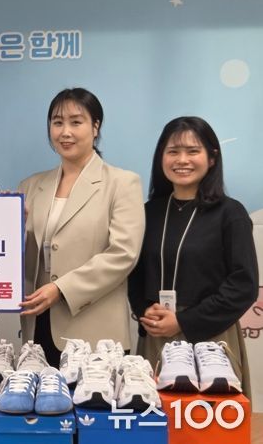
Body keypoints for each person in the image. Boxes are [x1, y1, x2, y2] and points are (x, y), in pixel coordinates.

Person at [128, 116, 257, 395]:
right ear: (161, 158)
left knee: (209, 419)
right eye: (173, 151)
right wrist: (144, 310)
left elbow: (243, 284)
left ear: (211, 158)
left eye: (192, 151)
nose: (182, 160)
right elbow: (134, 273)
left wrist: (184, 321)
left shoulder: (230, 213)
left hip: (213, 339)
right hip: (157, 333)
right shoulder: (148, 212)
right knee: (154, 418)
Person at [18, 87, 145, 367]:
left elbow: (123, 254)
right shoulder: (31, 186)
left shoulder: (122, 183)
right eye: (57, 122)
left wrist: (61, 288)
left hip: (95, 335)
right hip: (38, 328)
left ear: (95, 127)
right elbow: (18, 257)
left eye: (76, 122)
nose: (65, 132)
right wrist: (7, 227)